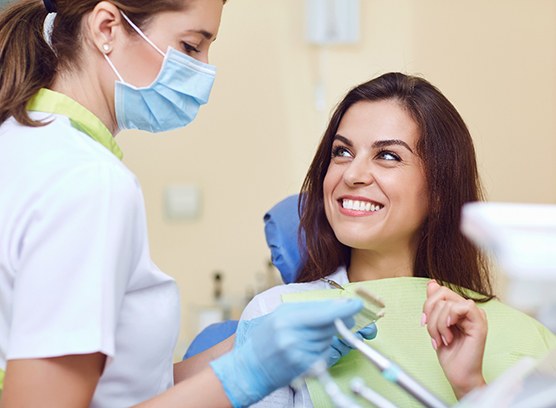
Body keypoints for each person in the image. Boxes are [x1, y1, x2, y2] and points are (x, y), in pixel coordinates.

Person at [0, 1, 371, 407]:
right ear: (107, 28)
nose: (205, 73)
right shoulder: (88, 182)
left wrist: (244, 347)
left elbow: (124, 389)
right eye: (192, 46)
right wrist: (249, 372)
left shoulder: (24, 144)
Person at [241, 72, 556, 407]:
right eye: (342, 152)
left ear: (438, 191)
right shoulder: (276, 316)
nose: (352, 174)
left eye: (388, 156)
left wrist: (472, 389)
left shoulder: (529, 339)